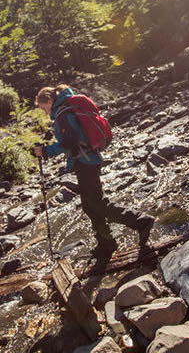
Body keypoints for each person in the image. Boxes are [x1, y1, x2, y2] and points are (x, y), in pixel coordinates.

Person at [33, 85, 155, 256]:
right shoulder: (68, 107)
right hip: (89, 159)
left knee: (96, 204)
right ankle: (106, 242)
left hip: (86, 162)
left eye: (43, 108)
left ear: (49, 101)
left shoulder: (62, 113)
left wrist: (45, 151)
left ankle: (140, 221)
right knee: (90, 205)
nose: (45, 112)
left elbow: (69, 142)